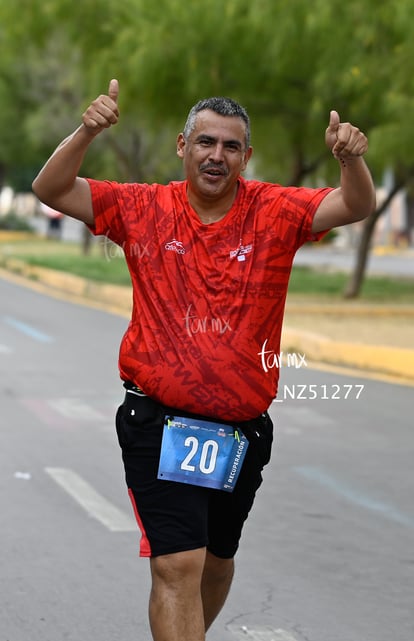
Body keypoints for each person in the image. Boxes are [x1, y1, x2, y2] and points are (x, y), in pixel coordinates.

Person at [32, 79, 376, 641]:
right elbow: (51, 187)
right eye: (205, 142)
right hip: (158, 419)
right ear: (182, 146)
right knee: (177, 565)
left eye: (231, 146)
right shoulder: (142, 207)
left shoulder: (276, 211)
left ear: (246, 156)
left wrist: (350, 162)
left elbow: (356, 204)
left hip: (241, 429)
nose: (217, 155)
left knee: (215, 563)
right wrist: (89, 129)